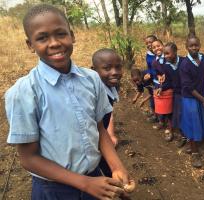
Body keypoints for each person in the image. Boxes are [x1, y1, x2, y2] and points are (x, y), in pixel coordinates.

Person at [5, 4, 132, 200]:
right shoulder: (24, 92)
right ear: (30, 45)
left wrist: (117, 167)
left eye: (60, 34)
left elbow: (99, 129)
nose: (54, 43)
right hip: (54, 189)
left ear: (72, 36)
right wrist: (85, 183)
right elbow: (29, 159)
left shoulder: (91, 79)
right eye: (42, 38)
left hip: (94, 179)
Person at [179, 36, 204, 168]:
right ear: (186, 47)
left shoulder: (203, 58)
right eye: (191, 46)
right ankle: (195, 153)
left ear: (200, 45)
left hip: (201, 94)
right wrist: (203, 100)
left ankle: (196, 143)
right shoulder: (185, 65)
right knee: (193, 123)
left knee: (201, 120)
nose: (194, 48)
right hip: (190, 97)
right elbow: (189, 87)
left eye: (196, 45)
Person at [91, 48, 122, 178]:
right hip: (92, 144)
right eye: (107, 68)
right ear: (94, 71)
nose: (114, 72)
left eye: (118, 67)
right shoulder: (94, 94)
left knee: (110, 169)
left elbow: (108, 114)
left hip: (100, 140)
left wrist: (110, 134)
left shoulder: (110, 87)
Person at [162, 42, 186, 145]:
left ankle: (189, 137)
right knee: (178, 115)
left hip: (188, 93)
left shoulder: (184, 62)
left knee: (186, 115)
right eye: (164, 54)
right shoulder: (166, 66)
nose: (165, 56)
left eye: (168, 53)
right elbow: (168, 82)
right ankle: (183, 136)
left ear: (175, 52)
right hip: (177, 94)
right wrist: (161, 88)